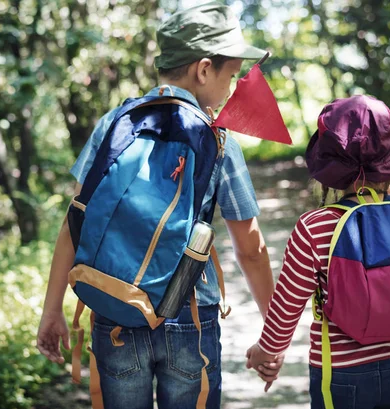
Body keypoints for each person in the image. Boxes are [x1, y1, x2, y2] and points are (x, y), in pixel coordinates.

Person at [37, 3, 277, 409]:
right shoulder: (219, 140)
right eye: (231, 75)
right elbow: (250, 248)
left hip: (113, 308)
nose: (233, 87)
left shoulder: (115, 123)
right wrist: (273, 337)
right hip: (189, 314)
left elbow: (75, 221)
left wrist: (52, 311)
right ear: (204, 69)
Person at [246, 95, 390, 408]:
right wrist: (384, 174)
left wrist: (265, 352)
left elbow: (286, 308)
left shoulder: (314, 226)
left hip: (343, 375)